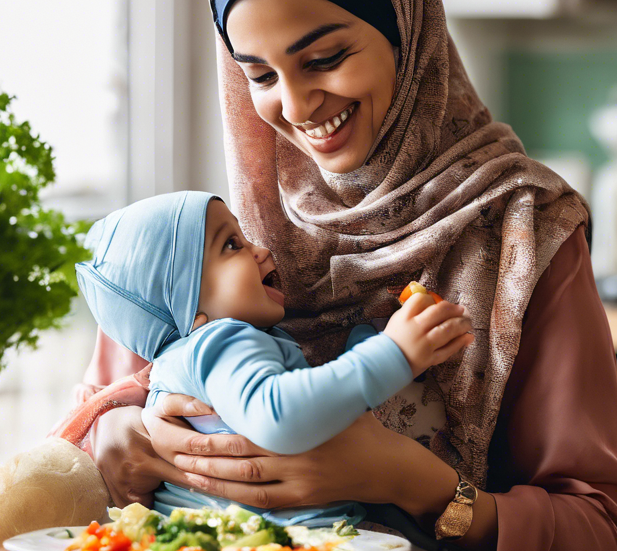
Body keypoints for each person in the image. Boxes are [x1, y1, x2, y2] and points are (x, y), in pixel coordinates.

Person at [72, 0, 617, 549]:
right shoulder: (192, 247)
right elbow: (75, 458)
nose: (296, 107)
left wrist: (409, 481)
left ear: (403, 30)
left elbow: (604, 532)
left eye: (324, 58)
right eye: (261, 75)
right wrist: (119, 441)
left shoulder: (524, 231)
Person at [75, 191, 472, 526]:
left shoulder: (200, 354)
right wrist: (394, 354)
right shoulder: (219, 340)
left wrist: (366, 343)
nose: (261, 250)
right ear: (190, 313)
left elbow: (321, 407)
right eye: (232, 245)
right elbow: (280, 415)